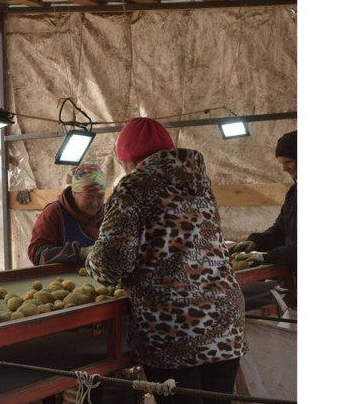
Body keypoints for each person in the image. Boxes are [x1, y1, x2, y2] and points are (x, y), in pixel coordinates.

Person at [87, 118, 246, 404]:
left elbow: (112, 263)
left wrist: (91, 262)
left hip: (173, 328)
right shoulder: (200, 184)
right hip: (224, 322)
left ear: (129, 158)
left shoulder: (133, 188)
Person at [230, 130, 298, 291]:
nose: (284, 168)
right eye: (281, 163)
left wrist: (266, 257)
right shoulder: (294, 192)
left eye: (288, 162)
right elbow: (281, 229)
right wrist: (257, 241)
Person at [28, 164, 106, 266]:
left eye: (100, 197)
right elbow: (37, 254)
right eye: (89, 196)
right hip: (63, 280)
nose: (95, 203)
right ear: (74, 192)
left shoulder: (108, 214)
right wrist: (80, 252)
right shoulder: (54, 213)